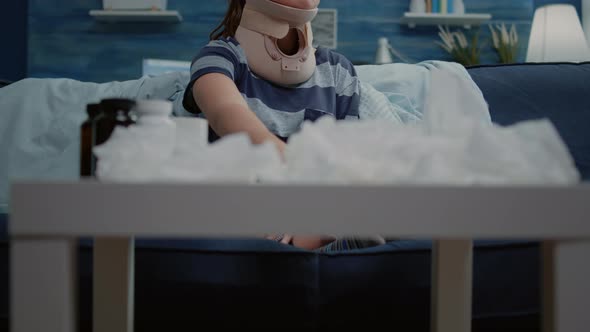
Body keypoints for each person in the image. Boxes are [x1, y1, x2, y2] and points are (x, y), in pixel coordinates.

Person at [182, 0, 385, 251]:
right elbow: (225, 112)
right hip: (248, 202)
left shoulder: (337, 70)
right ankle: (323, 245)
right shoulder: (219, 56)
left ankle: (327, 240)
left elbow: (344, 159)